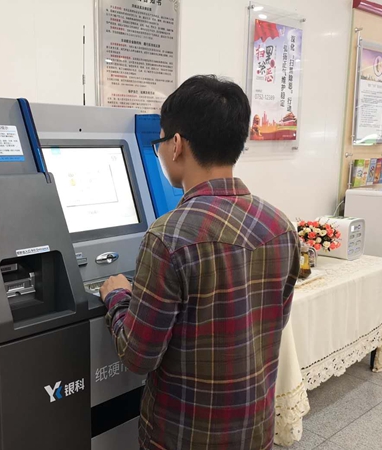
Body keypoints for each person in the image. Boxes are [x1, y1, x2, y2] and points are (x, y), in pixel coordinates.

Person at [100, 75, 300, 450]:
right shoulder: (280, 226)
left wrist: (117, 297)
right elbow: (271, 324)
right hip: (254, 431)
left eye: (160, 142)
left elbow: (139, 356)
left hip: (183, 436)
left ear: (177, 145)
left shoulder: (168, 237)